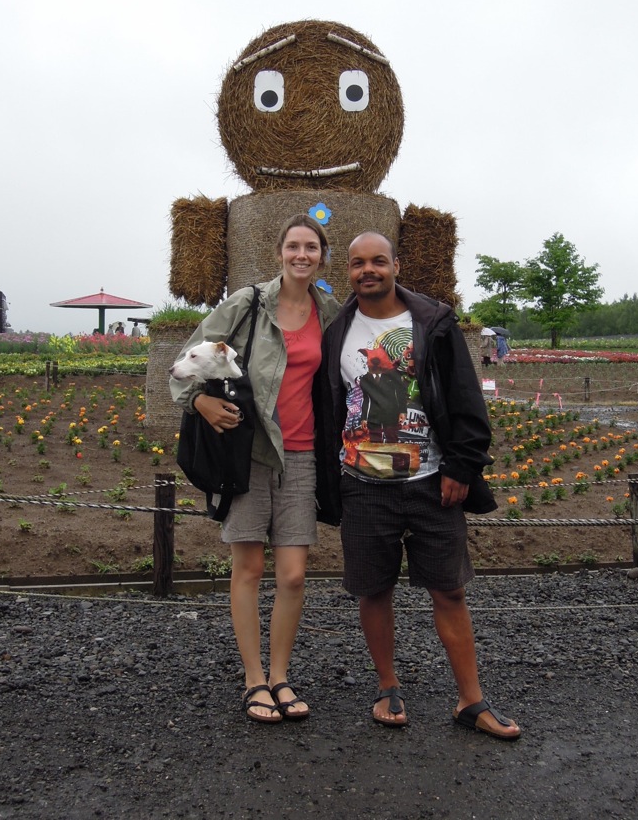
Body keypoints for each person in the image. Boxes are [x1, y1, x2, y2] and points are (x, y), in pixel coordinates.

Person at [320, 232, 520, 739]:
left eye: (379, 261)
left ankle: (471, 700)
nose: (369, 270)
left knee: (450, 590)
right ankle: (388, 685)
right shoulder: (337, 331)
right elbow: (329, 407)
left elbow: (465, 397)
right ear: (348, 271)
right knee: (373, 590)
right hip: (362, 484)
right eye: (358, 263)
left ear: (396, 266)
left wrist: (462, 466)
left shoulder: (432, 322)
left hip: (432, 481)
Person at [170, 214, 339, 723]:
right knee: (247, 568)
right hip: (248, 452)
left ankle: (281, 675)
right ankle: (253, 680)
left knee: (292, 574)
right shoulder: (247, 304)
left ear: (322, 256)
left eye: (311, 247)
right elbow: (186, 360)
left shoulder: (328, 312)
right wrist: (198, 403)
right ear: (280, 252)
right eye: (293, 246)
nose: (301, 255)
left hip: (302, 454)